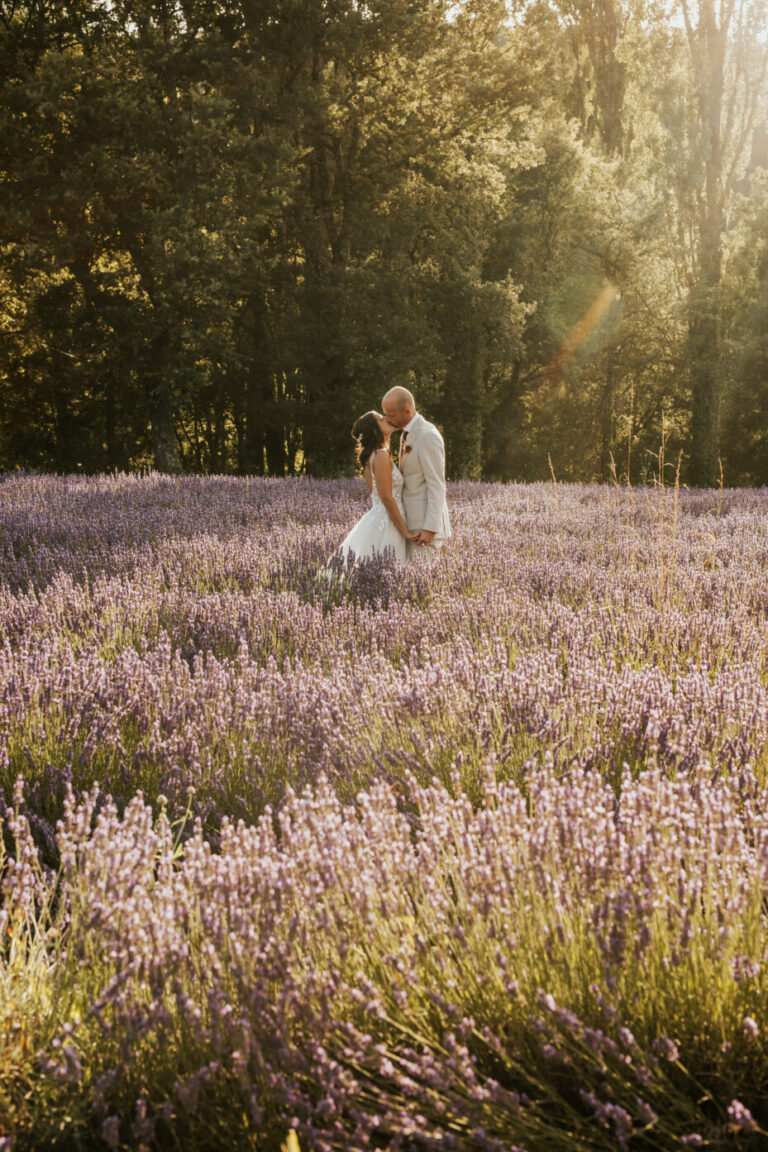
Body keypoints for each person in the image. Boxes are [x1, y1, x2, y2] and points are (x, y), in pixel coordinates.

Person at [336, 411, 417, 565]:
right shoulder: (380, 455)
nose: (386, 418)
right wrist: (405, 531)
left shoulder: (372, 456)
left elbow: (376, 495)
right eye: (381, 419)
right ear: (374, 430)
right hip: (389, 522)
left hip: (380, 518)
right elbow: (385, 497)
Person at [381, 386, 451, 562]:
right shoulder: (406, 434)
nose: (387, 419)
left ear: (407, 411)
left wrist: (430, 528)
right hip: (411, 524)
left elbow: (437, 484)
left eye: (391, 415)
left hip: (424, 528)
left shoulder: (427, 434)